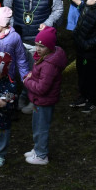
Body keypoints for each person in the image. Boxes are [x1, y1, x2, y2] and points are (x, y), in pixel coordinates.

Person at [20, 26, 67, 166]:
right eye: (36, 45)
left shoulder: (49, 64)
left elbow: (42, 88)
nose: (38, 49)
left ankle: (41, 155)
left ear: (50, 46)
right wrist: (31, 76)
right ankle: (37, 148)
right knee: (36, 126)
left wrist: (27, 81)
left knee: (41, 128)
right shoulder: (43, 58)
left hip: (44, 102)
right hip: (37, 101)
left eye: (42, 46)